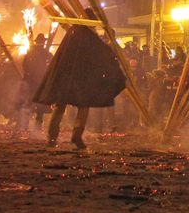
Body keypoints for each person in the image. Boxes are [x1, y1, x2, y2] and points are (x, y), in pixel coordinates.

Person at [34, 18, 125, 150]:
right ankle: (74, 136)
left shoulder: (72, 33)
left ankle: (53, 138)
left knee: (62, 106)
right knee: (82, 106)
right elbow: (100, 56)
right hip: (78, 79)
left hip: (68, 78)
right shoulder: (87, 37)